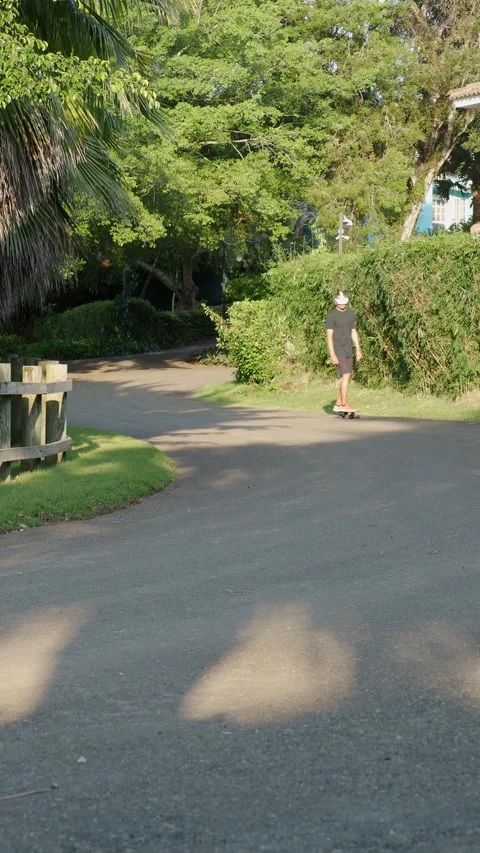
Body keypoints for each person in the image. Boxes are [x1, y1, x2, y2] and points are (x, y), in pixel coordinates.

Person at [325, 292, 362, 412]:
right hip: (337, 349)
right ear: (336, 301)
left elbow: (353, 331)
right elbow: (329, 336)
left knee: (348, 376)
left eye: (344, 301)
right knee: (345, 375)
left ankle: (338, 404)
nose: (342, 304)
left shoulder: (350, 314)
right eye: (340, 302)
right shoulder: (332, 315)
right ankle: (344, 404)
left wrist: (358, 349)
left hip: (348, 349)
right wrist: (332, 354)